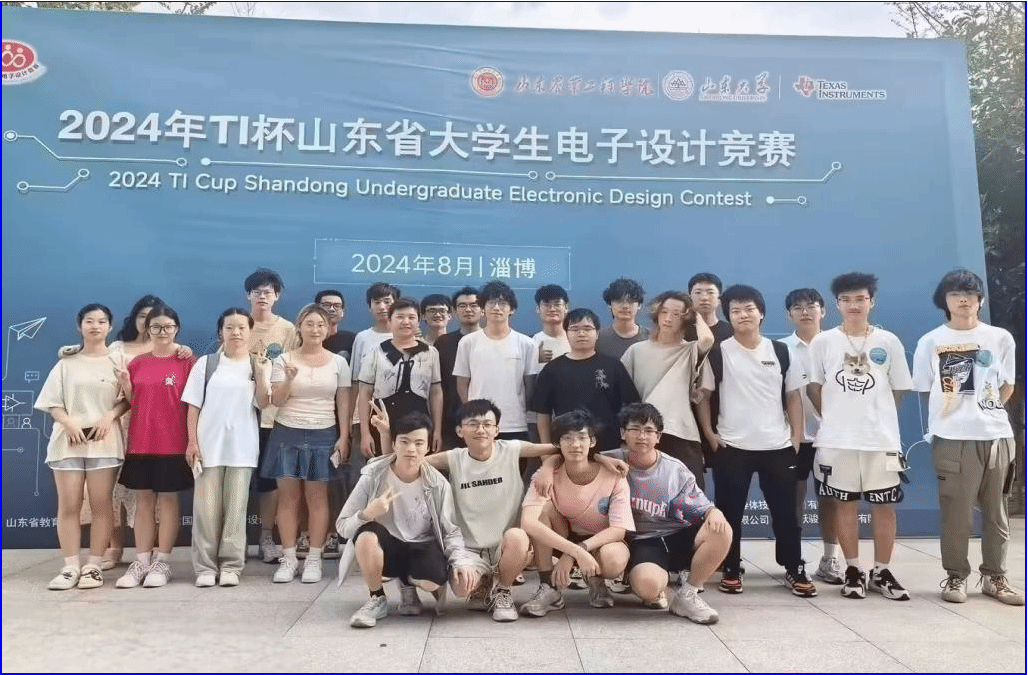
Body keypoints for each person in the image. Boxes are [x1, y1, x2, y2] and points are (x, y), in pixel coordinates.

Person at [371, 399, 570, 621]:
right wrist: (386, 434)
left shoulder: (511, 449)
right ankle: (482, 583)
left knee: (519, 537)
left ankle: (503, 590)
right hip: (469, 548)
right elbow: (405, 462)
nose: (481, 430)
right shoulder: (454, 458)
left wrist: (548, 466)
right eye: (473, 424)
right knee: (461, 587)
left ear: (496, 430)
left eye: (487, 424)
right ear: (459, 431)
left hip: (505, 545)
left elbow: (563, 448)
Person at [912, 269, 1023, 606]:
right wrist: (951, 415)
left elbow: (1008, 384)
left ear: (980, 300)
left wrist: (986, 410)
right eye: (955, 294)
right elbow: (924, 388)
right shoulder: (931, 341)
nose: (964, 300)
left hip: (996, 436)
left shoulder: (1000, 338)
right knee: (956, 513)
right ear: (944, 301)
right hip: (952, 438)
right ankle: (956, 575)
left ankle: (995, 577)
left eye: (970, 294)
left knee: (997, 511)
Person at [697, 284, 814, 597]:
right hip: (731, 447)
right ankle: (731, 567)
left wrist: (796, 436)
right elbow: (704, 396)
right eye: (735, 311)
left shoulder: (781, 352)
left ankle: (793, 567)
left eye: (749, 309)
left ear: (761, 313)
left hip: (777, 446)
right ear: (728, 316)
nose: (743, 315)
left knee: (786, 513)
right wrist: (709, 433)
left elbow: (793, 396)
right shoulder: (718, 352)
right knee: (729, 513)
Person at [807, 272, 913, 601]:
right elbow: (814, 388)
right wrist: (838, 418)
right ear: (836, 304)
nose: (853, 305)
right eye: (846, 299)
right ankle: (852, 568)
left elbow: (899, 388)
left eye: (860, 299)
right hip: (836, 440)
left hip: (880, 440)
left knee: (884, 507)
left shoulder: (888, 341)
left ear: (871, 301)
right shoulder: (823, 342)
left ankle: (882, 571)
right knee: (844, 504)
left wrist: (875, 416)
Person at [336, 411, 479, 628]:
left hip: (420, 546)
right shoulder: (373, 475)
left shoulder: (438, 484)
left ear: (428, 447)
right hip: (388, 547)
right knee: (366, 535)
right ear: (393, 444)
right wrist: (367, 514)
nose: (411, 449)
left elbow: (450, 530)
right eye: (404, 442)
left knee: (433, 580)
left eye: (419, 443)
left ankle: (407, 583)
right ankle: (377, 598)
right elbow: (342, 526)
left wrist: (461, 562)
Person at [603, 403, 731, 623]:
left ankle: (688, 595)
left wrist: (714, 511)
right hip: (643, 540)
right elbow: (573, 456)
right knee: (648, 586)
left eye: (649, 430)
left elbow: (701, 506)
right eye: (634, 429)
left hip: (676, 534)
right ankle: (645, 583)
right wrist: (598, 459)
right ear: (623, 432)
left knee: (721, 529)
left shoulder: (674, 469)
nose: (641, 436)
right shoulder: (610, 460)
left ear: (658, 436)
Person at [36, 304, 129, 590]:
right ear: (80, 326)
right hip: (68, 444)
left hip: (104, 443)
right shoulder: (66, 363)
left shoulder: (119, 360)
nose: (95, 326)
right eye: (89, 321)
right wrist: (68, 424)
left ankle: (93, 566)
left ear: (110, 327)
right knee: (69, 506)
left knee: (102, 506)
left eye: (101, 321)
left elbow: (128, 398)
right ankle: (70, 567)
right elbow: (52, 402)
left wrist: (109, 417)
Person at [96, 294, 192, 571]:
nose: (162, 332)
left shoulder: (188, 362)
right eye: (156, 327)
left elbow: (194, 405)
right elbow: (134, 403)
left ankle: (163, 561)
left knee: (169, 502)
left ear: (176, 328)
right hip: (141, 442)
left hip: (174, 443)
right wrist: (126, 385)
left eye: (168, 326)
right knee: (143, 502)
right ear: (147, 329)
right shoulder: (137, 363)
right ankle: (141, 560)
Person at [261, 304, 351, 584]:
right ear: (299, 327)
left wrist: (344, 436)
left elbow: (343, 402)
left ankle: (314, 558)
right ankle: (289, 559)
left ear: (328, 329)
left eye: (320, 325)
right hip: (286, 432)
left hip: (323, 433)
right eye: (309, 324)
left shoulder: (339, 363)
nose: (315, 329)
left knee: (317, 498)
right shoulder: (284, 359)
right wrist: (289, 379)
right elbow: (276, 400)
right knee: (288, 498)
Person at [182, 308, 271, 588]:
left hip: (242, 448)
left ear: (250, 331)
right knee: (206, 511)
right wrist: (192, 442)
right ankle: (205, 567)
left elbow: (264, 403)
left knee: (236, 510)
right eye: (230, 327)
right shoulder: (206, 364)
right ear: (220, 332)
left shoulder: (258, 364)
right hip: (208, 447)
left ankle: (232, 566)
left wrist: (261, 374)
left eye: (242, 327)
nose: (236, 333)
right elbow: (193, 405)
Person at [520, 410, 635, 616]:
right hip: (563, 535)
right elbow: (528, 523)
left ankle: (596, 579)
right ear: (558, 444)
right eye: (567, 438)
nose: (575, 445)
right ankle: (549, 587)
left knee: (614, 558)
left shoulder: (613, 475)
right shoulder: (545, 476)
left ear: (592, 441)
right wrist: (575, 552)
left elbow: (618, 530)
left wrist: (577, 551)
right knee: (542, 511)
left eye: (582, 437)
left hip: (600, 540)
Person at [621, 291, 713, 489]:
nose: (668, 318)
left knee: (691, 495)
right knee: (644, 496)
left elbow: (707, 340)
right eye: (664, 312)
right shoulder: (636, 351)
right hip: (643, 433)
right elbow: (621, 394)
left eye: (677, 314)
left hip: (681, 432)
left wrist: (695, 314)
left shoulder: (690, 350)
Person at [782, 287, 842, 585]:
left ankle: (830, 559)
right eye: (798, 307)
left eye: (811, 306)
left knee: (830, 500)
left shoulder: (837, 345)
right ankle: (793, 562)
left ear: (823, 311)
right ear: (788, 315)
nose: (805, 312)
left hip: (831, 438)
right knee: (792, 502)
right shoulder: (780, 349)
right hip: (791, 439)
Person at [532, 308, 640, 453]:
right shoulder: (552, 369)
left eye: (587, 329)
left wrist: (627, 443)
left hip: (610, 447)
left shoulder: (613, 366)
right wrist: (546, 452)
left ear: (597, 333)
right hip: (569, 449)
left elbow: (632, 407)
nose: (581, 333)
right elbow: (543, 414)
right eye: (575, 329)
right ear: (566, 333)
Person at [244, 268, 297, 564]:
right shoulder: (239, 325)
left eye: (268, 292)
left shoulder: (288, 330)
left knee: (270, 482)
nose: (262, 296)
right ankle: (234, 538)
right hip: (240, 416)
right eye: (257, 291)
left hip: (273, 418)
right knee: (238, 478)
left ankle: (266, 536)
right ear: (248, 295)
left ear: (277, 296)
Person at [453, 281, 538, 441]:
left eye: (503, 303)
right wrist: (471, 412)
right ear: (483, 308)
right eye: (491, 302)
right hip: (478, 425)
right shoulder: (468, 342)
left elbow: (530, 386)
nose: (496, 308)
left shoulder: (527, 343)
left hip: (515, 423)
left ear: (512, 309)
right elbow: (462, 383)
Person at [357, 298, 443, 454]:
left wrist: (437, 430)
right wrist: (365, 433)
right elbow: (364, 393)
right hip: (382, 422)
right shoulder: (376, 352)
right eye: (400, 317)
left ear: (419, 321)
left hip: (419, 424)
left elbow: (436, 393)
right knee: (382, 466)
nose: (406, 322)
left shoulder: (430, 353)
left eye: (411, 317)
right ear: (390, 321)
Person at [314, 288, 355, 560]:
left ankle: (342, 535)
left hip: (344, 419)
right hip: (312, 419)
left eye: (336, 306)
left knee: (343, 480)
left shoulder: (353, 340)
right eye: (326, 305)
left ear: (343, 311)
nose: (331, 310)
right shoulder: (305, 338)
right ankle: (319, 534)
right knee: (316, 482)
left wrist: (348, 426)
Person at [434, 287, 483, 450]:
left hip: (485, 421)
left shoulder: (492, 341)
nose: (468, 309)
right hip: (451, 422)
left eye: (474, 305)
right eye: (462, 306)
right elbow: (437, 386)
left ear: (482, 309)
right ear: (454, 311)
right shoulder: (443, 342)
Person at [596, 277, 649, 360]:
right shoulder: (598, 338)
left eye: (630, 301)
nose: (625, 306)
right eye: (619, 301)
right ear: (609, 304)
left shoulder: (651, 337)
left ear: (639, 305)